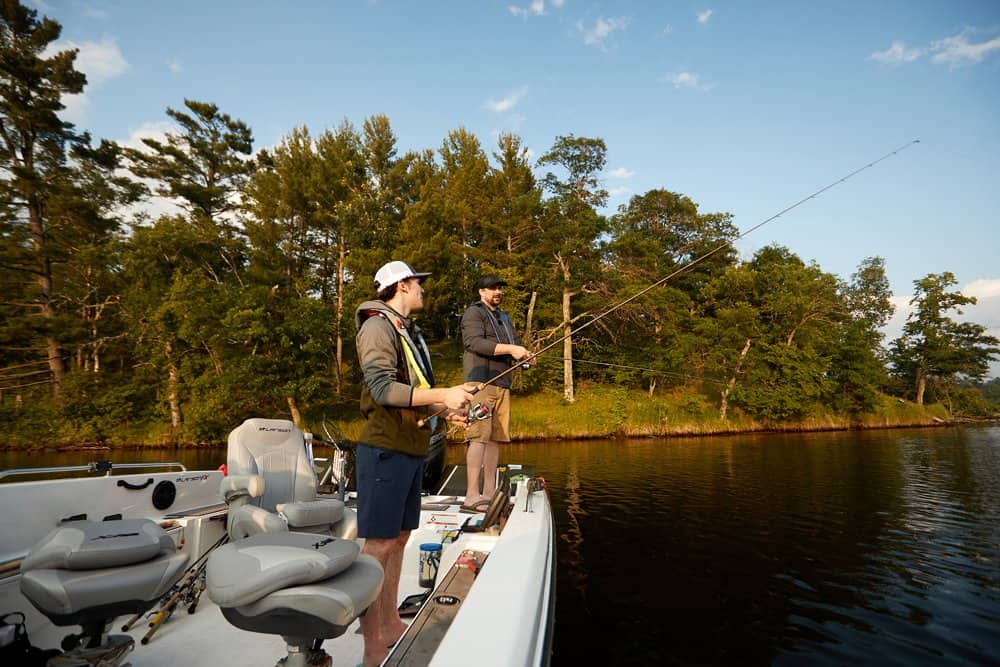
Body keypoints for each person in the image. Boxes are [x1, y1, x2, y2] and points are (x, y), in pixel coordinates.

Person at [354, 260, 474, 667]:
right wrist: (446, 391)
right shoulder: (376, 327)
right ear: (402, 285)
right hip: (384, 449)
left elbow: (415, 393)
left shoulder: (406, 331)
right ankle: (371, 646)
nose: (423, 289)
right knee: (379, 544)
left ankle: (389, 624)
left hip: (410, 448)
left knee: (401, 538)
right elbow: (384, 389)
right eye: (418, 283)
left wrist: (445, 407)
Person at [460, 274, 533, 512]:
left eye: (500, 288)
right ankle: (472, 495)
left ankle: (489, 493)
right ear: (481, 292)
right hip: (480, 382)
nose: (497, 291)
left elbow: (512, 348)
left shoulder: (504, 317)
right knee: (478, 437)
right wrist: (512, 348)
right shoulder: (474, 313)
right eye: (492, 288)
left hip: (503, 384)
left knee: (495, 439)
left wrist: (524, 357)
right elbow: (474, 343)